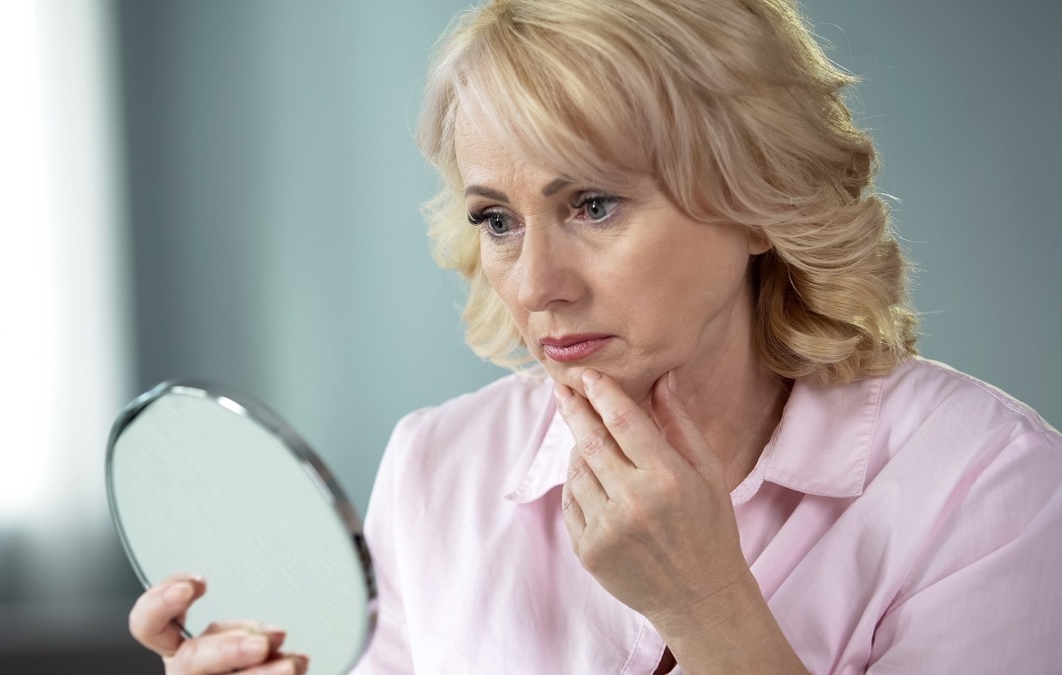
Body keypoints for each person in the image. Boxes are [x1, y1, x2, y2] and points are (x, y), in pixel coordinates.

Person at [127, 0, 1062, 672]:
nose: (537, 284)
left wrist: (709, 609)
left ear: (759, 200)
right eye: (497, 219)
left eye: (594, 203)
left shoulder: (990, 488)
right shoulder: (435, 467)